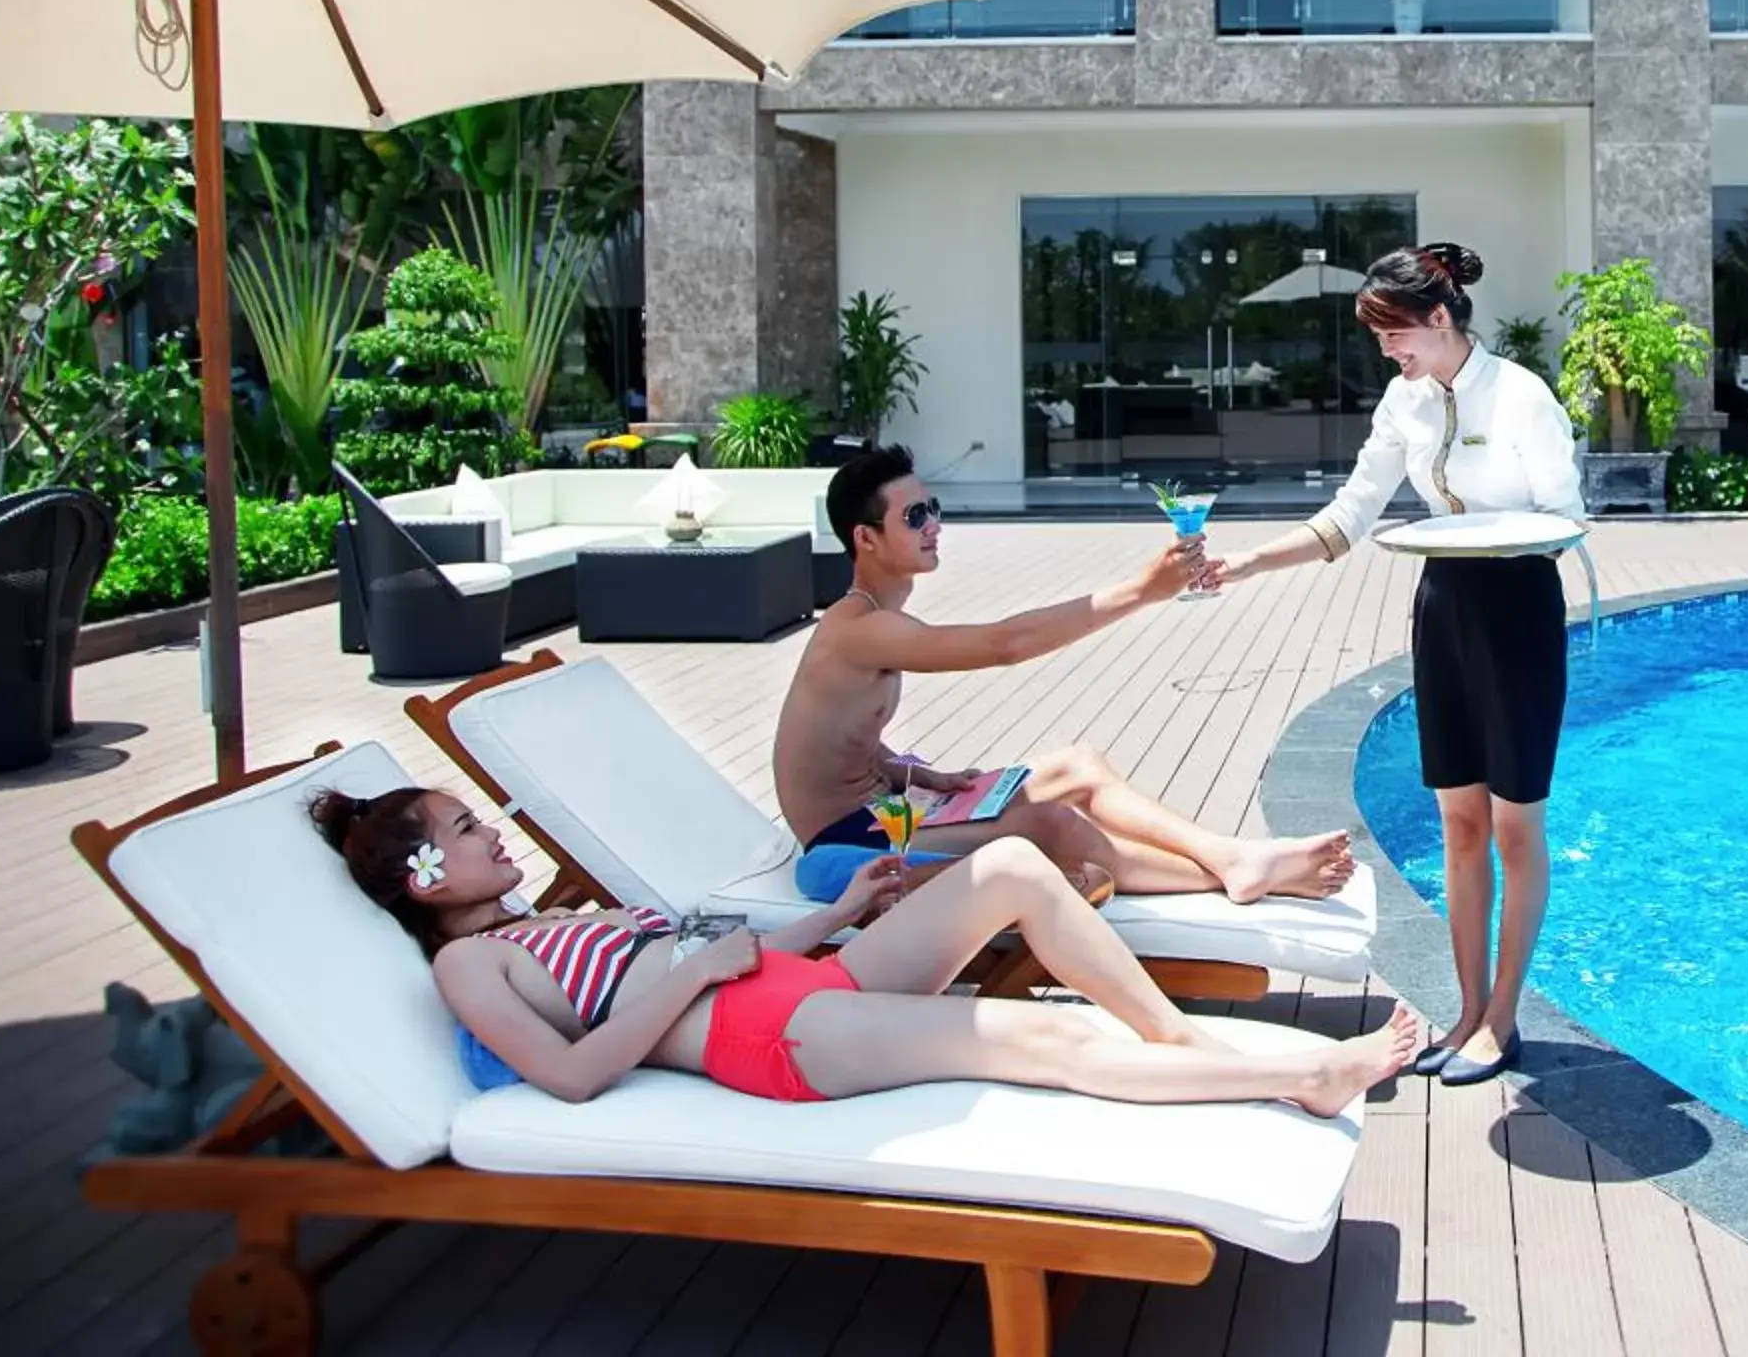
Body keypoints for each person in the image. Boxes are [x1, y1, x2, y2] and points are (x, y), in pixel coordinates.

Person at [311, 786, 1419, 1111]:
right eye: (464, 831)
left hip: (805, 977)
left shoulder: (553, 915)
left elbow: (725, 953)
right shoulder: (468, 964)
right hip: (770, 1034)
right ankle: (1299, 1073)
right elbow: (570, 1072)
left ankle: (1180, 1040)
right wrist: (694, 971)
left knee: (1018, 870)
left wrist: (838, 918)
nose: (488, 832)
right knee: (1031, 1031)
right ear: (423, 878)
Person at [1206, 244, 1581, 1086]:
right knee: (1458, 824)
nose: (1387, 352)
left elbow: (1565, 519)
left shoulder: (1521, 396)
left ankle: (1504, 1018)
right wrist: (1244, 563)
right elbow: (1350, 515)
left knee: (1516, 826)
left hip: (1518, 607)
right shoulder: (1405, 402)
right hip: (1442, 606)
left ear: (1439, 318)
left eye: (1393, 334)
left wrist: (1494, 538)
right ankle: (1465, 1012)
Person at [775, 445, 1358, 906]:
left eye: (934, 509)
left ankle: (1230, 857)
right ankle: (1227, 876)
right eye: (914, 516)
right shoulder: (859, 629)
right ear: (866, 538)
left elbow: (845, 736)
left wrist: (921, 773)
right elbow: (1006, 644)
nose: (934, 525)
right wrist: (1141, 591)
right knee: (1045, 820)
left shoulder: (878, 620)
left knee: (1078, 766)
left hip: (891, 810)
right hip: (848, 844)